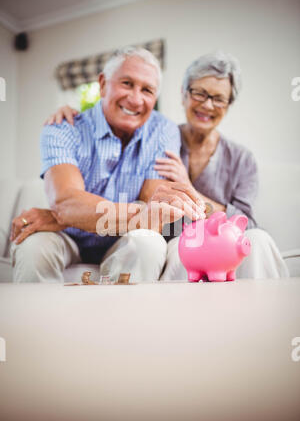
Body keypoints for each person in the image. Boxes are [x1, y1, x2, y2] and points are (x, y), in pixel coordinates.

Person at [49, 51, 288, 280]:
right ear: (183, 93)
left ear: (228, 104)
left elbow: (247, 223)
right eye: (199, 93)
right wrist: (79, 116)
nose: (207, 105)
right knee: (179, 251)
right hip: (172, 238)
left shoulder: (241, 159)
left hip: (223, 243)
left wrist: (190, 191)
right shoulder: (160, 138)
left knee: (259, 239)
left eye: (218, 98)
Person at [10, 46, 205, 283]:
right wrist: (67, 212)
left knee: (149, 242)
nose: (135, 99)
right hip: (67, 236)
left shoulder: (163, 130)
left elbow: (154, 209)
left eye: (147, 90)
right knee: (33, 246)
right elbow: (67, 200)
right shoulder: (62, 127)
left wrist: (64, 214)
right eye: (126, 83)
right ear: (103, 84)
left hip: (122, 239)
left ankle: (120, 320)